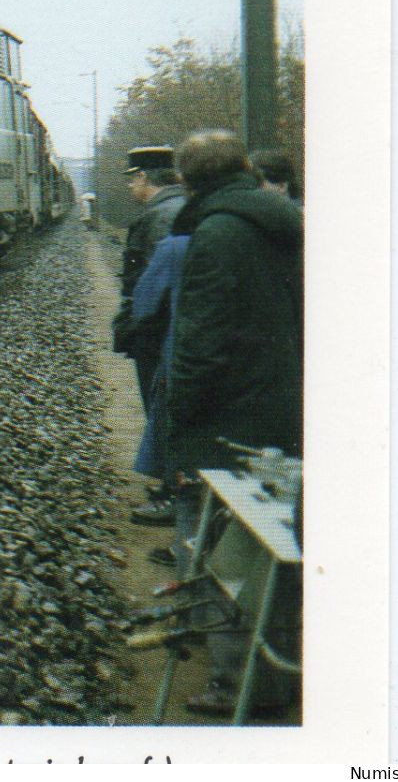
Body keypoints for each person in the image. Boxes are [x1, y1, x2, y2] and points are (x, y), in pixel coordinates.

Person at [162, 129, 303, 717]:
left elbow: (200, 338)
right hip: (277, 399)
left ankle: (234, 683)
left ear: (188, 180)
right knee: (267, 543)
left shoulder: (218, 232)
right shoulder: (283, 219)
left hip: (227, 411)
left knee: (225, 546)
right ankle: (268, 674)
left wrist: (180, 415)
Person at [110, 145, 186, 526]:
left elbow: (151, 286)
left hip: (160, 335)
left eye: (131, 179)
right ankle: (172, 484)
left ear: (142, 177)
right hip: (168, 330)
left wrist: (136, 327)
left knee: (163, 408)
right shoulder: (178, 209)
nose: (129, 187)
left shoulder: (159, 217)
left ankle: (174, 492)